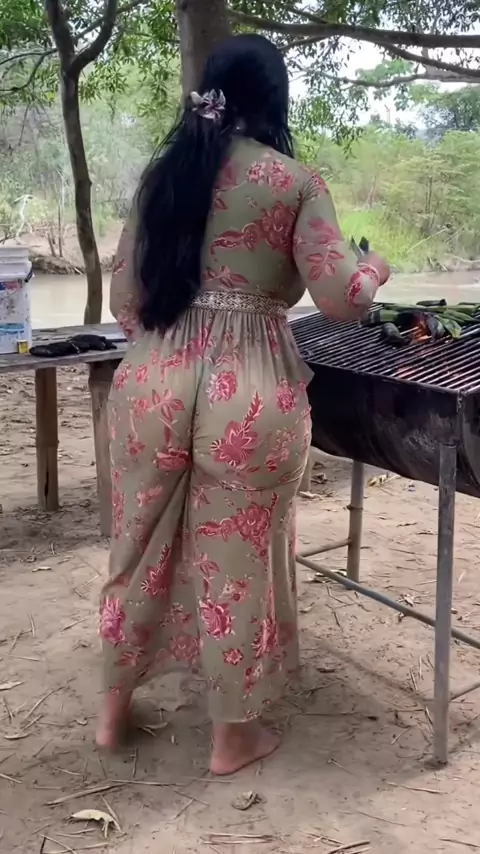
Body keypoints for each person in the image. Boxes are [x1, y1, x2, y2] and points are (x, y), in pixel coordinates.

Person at [97, 32, 390, 774]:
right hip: (250, 394)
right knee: (239, 559)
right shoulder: (294, 182)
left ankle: (112, 714)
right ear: (273, 100)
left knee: (136, 545)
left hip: (152, 379)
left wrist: (177, 339)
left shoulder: (165, 175)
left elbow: (124, 298)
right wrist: (374, 270)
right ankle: (232, 738)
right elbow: (341, 299)